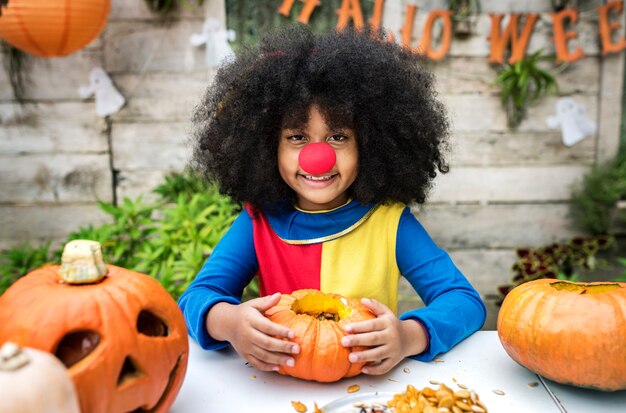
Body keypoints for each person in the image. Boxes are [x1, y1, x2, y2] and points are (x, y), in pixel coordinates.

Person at [178, 24, 486, 376]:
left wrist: (408, 335)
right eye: (297, 137)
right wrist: (229, 322)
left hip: (371, 392)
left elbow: (464, 301)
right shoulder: (257, 222)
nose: (318, 156)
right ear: (268, 147)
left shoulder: (391, 223)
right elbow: (196, 296)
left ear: (368, 144)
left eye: (337, 136)